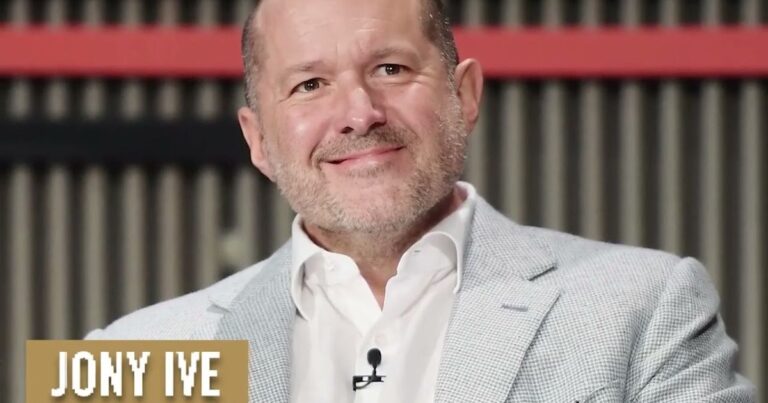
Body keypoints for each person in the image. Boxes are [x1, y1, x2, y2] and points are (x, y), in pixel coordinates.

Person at [87, 0, 756, 401]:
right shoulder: (131, 353)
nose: (359, 112)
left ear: (464, 95)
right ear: (258, 140)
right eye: (310, 84)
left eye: (391, 69)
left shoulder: (647, 305)